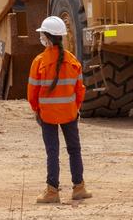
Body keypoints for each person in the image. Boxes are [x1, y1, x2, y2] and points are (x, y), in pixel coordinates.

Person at [27, 16, 92, 204]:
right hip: (69, 114)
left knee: (52, 151)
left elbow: (32, 91)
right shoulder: (73, 62)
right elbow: (80, 90)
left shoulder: (39, 62)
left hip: (46, 115)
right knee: (74, 149)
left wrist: (36, 110)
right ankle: (79, 188)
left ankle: (52, 191)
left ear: (46, 37)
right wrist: (75, 108)